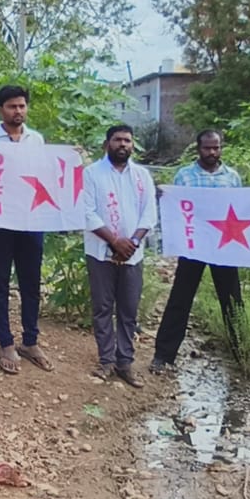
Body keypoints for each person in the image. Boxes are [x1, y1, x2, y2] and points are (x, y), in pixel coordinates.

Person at [150, 129, 250, 375]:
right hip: (193, 246)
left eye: (216, 147)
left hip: (224, 247)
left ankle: (243, 355)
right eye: (207, 148)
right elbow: (175, 209)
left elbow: (240, 207)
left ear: (221, 148)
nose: (212, 152)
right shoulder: (184, 176)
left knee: (232, 300)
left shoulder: (232, 177)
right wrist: (165, 197)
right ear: (198, 148)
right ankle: (163, 356)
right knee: (180, 299)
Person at [0, 85, 53, 375]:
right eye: (12, 106)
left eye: (22, 106)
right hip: (0, 223)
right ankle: (6, 342)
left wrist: (70, 161)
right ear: (0, 109)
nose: (18, 111)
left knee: (31, 283)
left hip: (32, 222)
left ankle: (31, 340)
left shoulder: (37, 141)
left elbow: (48, 179)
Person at [82, 125, 158, 389]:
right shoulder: (91, 174)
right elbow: (87, 212)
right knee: (102, 307)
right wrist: (115, 242)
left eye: (127, 140)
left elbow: (149, 214)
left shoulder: (142, 175)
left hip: (133, 256)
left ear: (132, 145)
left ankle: (125, 362)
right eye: (117, 140)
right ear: (107, 144)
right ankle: (106, 360)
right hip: (100, 252)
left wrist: (133, 242)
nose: (122, 144)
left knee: (128, 310)